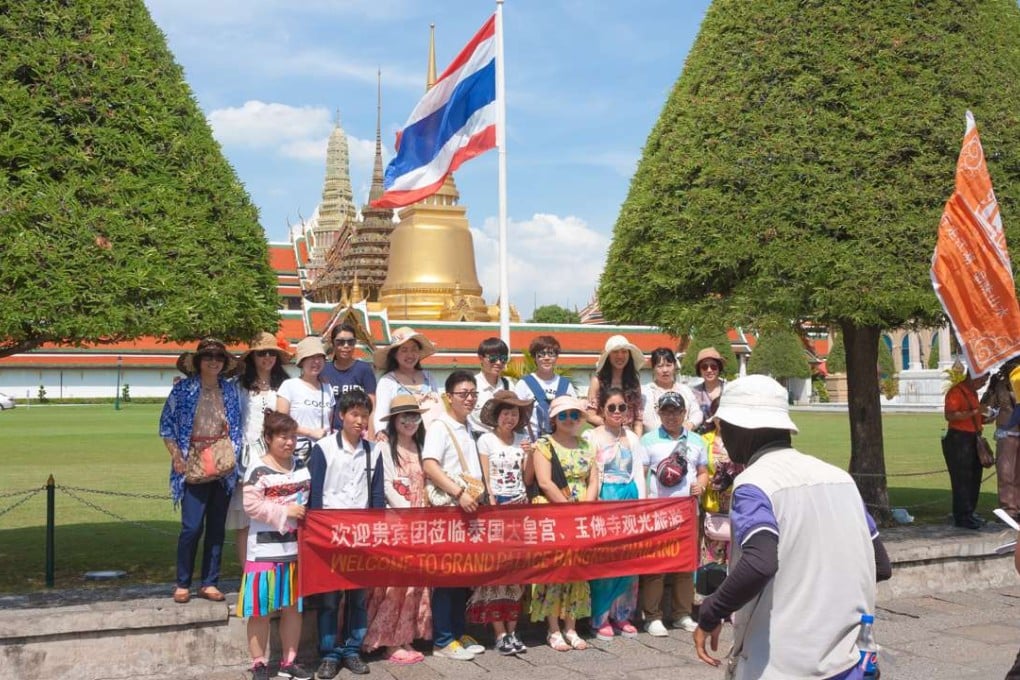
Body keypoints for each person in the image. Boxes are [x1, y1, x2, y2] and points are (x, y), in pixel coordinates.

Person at [694, 375, 892, 678]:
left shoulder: (753, 484)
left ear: (744, 429)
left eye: (725, 428)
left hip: (780, 663)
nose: (723, 437)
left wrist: (710, 612)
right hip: (847, 660)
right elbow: (880, 565)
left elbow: (759, 563)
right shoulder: (840, 478)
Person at [160, 338, 243, 605]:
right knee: (191, 527)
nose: (214, 362)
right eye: (208, 357)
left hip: (222, 464)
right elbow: (166, 426)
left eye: (218, 357)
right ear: (198, 362)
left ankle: (210, 581)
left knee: (217, 528)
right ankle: (183, 582)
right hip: (192, 461)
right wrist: (176, 456)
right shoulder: (183, 390)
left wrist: (232, 454)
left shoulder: (229, 391)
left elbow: (237, 427)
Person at [308, 391, 385, 678]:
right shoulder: (324, 448)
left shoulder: (373, 450)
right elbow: (315, 493)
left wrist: (377, 531)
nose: (360, 421)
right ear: (342, 416)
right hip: (330, 532)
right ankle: (328, 653)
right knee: (329, 598)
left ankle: (352, 649)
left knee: (357, 597)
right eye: (354, 414)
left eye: (364, 416)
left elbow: (376, 495)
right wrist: (317, 534)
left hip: (361, 533)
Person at [238, 411, 311, 680]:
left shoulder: (301, 464)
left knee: (293, 607)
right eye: (283, 437)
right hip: (264, 551)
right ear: (268, 438)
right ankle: (258, 662)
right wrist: (286, 511)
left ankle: (288, 661)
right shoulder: (257, 469)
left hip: (296, 550)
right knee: (260, 609)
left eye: (293, 437)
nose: (289, 442)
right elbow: (251, 506)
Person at [421, 371, 487, 661]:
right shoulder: (440, 426)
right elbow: (430, 465)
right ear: (449, 396)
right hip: (450, 511)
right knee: (447, 576)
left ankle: (459, 632)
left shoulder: (469, 425)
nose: (469, 398)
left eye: (473, 393)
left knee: (464, 575)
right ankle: (443, 639)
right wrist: (459, 493)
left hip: (469, 509)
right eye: (463, 393)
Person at [362, 394, 431, 665]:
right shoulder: (384, 447)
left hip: (423, 523)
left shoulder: (422, 446)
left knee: (415, 584)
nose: (410, 422)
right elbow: (387, 486)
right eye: (404, 417)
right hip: (397, 522)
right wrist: (409, 512)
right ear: (393, 421)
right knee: (393, 583)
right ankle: (387, 641)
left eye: (414, 416)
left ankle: (406, 636)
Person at [530, 395, 599, 652]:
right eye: (563, 415)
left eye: (574, 415)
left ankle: (571, 625)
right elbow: (545, 482)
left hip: (580, 511)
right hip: (553, 512)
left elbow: (593, 479)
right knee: (553, 571)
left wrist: (587, 507)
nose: (569, 420)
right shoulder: (544, 445)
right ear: (553, 419)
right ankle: (553, 628)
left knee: (577, 571)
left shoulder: (587, 445)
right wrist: (570, 509)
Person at [468, 390, 535, 655]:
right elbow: (485, 478)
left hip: (519, 507)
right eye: (506, 412)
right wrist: (492, 505)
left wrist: (529, 455)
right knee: (495, 574)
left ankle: (514, 630)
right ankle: (499, 633)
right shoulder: (485, 440)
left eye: (515, 412)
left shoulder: (523, 440)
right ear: (496, 416)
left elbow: (528, 480)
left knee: (517, 574)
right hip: (495, 509)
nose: (510, 417)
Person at [638, 391, 708, 636]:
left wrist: (702, 484)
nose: (671, 416)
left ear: (684, 413)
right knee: (656, 565)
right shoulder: (647, 440)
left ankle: (682, 613)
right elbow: (642, 474)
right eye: (666, 411)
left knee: (686, 564)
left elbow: (702, 471)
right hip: (658, 510)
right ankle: (652, 616)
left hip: (688, 511)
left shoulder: (698, 441)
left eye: (675, 411)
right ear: (659, 413)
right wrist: (644, 502)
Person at [584, 387, 647, 641]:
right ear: (602, 410)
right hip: (605, 498)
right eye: (612, 407)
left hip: (629, 498)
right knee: (605, 561)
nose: (618, 412)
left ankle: (623, 614)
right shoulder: (592, 436)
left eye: (622, 407)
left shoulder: (632, 437)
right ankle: (599, 617)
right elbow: (592, 473)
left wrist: (641, 505)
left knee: (628, 561)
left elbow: (639, 472)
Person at [225, 332, 292, 565]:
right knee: (245, 518)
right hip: (247, 456)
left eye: (272, 353)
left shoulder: (285, 385)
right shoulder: (239, 387)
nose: (267, 358)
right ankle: (248, 574)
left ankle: (275, 569)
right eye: (262, 353)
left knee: (275, 513)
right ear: (252, 357)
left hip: (276, 455)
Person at [943, 369, 990, 529]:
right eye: (983, 379)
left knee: (974, 477)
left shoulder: (973, 393)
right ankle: (962, 516)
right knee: (962, 479)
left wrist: (985, 417)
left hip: (973, 437)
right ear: (974, 376)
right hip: (959, 438)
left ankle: (969, 512)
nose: (984, 383)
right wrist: (976, 411)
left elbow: (973, 416)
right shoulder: (957, 392)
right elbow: (950, 415)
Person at [373, 326, 442, 436]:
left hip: (431, 439)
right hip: (400, 441)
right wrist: (381, 432)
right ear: (394, 354)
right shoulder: (387, 381)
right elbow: (381, 410)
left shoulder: (429, 377)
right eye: (404, 350)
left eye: (414, 349)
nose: (410, 355)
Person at [276, 336, 334, 464]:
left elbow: (329, 422)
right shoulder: (289, 386)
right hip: (296, 453)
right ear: (302, 361)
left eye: (319, 357)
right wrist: (310, 432)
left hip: (324, 452)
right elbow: (280, 422)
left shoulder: (327, 388)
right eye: (311, 358)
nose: (316, 362)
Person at [321, 323, 377, 436]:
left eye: (350, 342)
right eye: (340, 342)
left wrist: (371, 435)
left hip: (359, 432)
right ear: (332, 343)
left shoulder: (364, 369)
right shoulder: (324, 370)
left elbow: (372, 406)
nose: (346, 346)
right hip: (332, 432)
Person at [514, 335, 577, 436]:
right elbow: (515, 413)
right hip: (531, 441)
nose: (546, 358)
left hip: (560, 440)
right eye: (541, 354)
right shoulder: (524, 384)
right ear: (534, 357)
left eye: (551, 354)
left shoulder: (566, 385)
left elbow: (575, 414)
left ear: (556, 357)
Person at [982, 363, 1020, 522]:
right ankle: (1008, 508)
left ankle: (1017, 506)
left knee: (1018, 473)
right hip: (1007, 431)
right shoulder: (998, 381)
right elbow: (986, 406)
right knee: (1006, 472)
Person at [587, 335, 645, 435]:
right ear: (608, 356)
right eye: (615, 352)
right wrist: (614, 425)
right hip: (604, 435)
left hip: (628, 436)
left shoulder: (634, 383)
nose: (620, 356)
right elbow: (590, 416)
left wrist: (636, 439)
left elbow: (638, 419)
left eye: (624, 352)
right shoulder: (597, 382)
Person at [641, 347, 702, 435]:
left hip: (685, 437)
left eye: (669, 365)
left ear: (674, 366)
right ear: (653, 368)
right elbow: (648, 421)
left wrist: (690, 424)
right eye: (660, 366)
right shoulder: (646, 391)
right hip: (657, 440)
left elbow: (697, 412)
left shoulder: (685, 389)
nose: (665, 370)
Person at [469, 337, 516, 435]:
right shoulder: (471, 385)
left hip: (502, 441)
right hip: (477, 440)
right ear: (481, 358)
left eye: (503, 359)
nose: (498, 363)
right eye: (493, 358)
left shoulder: (509, 385)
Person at [691, 347, 727, 434]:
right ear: (699, 370)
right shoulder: (693, 393)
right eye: (704, 367)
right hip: (702, 439)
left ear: (719, 368)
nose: (709, 370)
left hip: (728, 438)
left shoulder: (729, 390)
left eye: (713, 366)